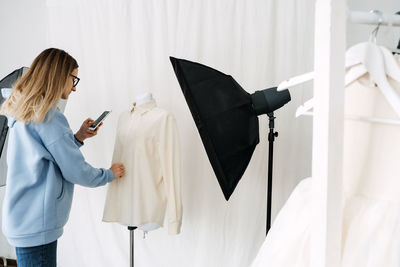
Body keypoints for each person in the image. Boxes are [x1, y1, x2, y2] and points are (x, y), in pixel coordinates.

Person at [0, 48, 125, 267]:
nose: (74, 87)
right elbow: (76, 170)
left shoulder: (26, 109)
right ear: (59, 75)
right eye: (73, 78)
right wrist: (109, 174)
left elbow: (43, 154)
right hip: (37, 223)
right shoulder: (48, 116)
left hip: (23, 218)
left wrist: (77, 138)